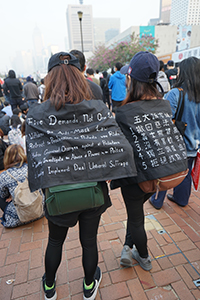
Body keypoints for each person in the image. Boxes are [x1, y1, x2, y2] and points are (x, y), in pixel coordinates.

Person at [27, 52, 112, 300]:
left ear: (49, 78)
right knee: (89, 241)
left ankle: (50, 288)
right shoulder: (96, 107)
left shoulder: (39, 114)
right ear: (80, 74)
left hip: (58, 191)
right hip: (92, 189)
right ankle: (88, 287)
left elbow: (36, 159)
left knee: (55, 242)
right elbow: (109, 147)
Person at [111, 51, 164, 271]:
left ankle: (143, 257)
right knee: (136, 215)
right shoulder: (164, 106)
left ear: (130, 79)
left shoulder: (124, 112)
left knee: (136, 219)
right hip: (158, 176)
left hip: (134, 179)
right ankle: (127, 245)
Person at [149, 56, 200, 209]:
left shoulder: (176, 93)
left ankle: (157, 200)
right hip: (194, 144)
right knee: (185, 174)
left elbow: (164, 118)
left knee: (166, 171)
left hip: (175, 143)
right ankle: (181, 199)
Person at [0, 144, 39, 228]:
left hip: (19, 217)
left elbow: (3, 195)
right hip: (38, 210)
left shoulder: (4, 175)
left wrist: (12, 194)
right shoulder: (32, 167)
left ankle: (11, 214)